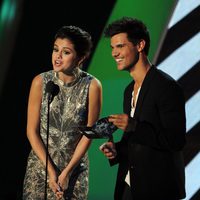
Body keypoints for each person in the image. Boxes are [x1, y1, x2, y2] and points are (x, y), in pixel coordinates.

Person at [99, 17, 186, 200]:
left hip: (158, 190)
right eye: (112, 48)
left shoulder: (166, 87)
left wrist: (134, 126)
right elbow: (137, 141)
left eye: (120, 46)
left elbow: (175, 140)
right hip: (130, 186)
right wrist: (117, 150)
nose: (114, 53)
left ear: (140, 45)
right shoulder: (129, 90)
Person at [23, 25, 102, 200]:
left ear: (81, 57)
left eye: (66, 52)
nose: (57, 56)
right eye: (55, 49)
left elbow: (88, 134)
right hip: (40, 170)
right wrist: (50, 171)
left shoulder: (92, 86)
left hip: (73, 172)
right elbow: (32, 131)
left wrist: (67, 172)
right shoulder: (40, 82)